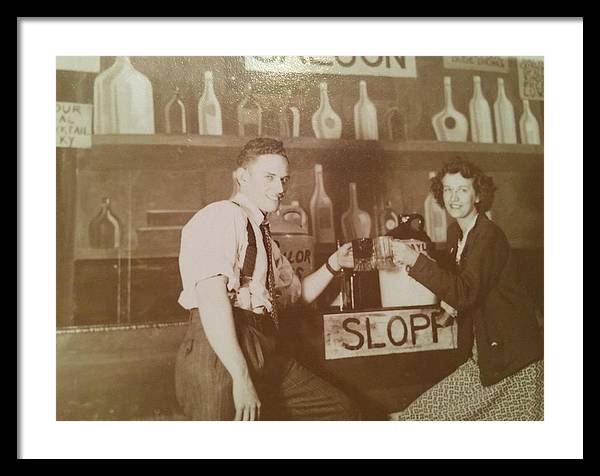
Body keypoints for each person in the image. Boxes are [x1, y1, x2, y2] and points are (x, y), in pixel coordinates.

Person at [174, 137, 360, 421]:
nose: (280, 188)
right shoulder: (221, 216)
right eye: (270, 178)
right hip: (220, 352)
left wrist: (334, 265)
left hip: (261, 347)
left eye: (284, 179)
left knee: (340, 410)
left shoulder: (264, 237)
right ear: (242, 177)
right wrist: (241, 376)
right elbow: (211, 298)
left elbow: (293, 297)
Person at [388, 158, 543, 421]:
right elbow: (470, 288)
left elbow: (465, 292)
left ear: (478, 195)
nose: (454, 197)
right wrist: (448, 308)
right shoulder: (458, 234)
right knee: (417, 417)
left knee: (417, 420)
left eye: (462, 189)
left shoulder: (488, 235)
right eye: (448, 189)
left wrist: (415, 260)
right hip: (486, 359)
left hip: (515, 365)